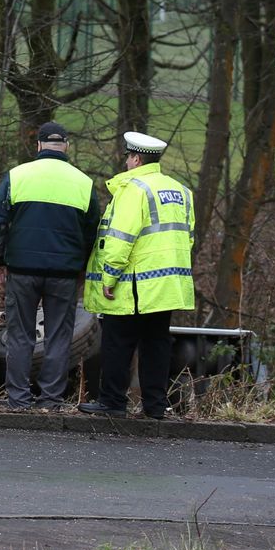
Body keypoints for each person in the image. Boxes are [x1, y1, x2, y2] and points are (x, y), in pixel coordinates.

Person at [78, 132, 195, 420]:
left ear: (136, 158)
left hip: (135, 284)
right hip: (167, 284)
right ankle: (155, 406)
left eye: (129, 157)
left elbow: (121, 238)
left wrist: (109, 276)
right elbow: (188, 237)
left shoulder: (133, 190)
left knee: (118, 341)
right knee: (156, 343)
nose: (127, 162)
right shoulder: (181, 190)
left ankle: (112, 402)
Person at [0, 121, 102, 410]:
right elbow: (92, 232)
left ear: (38, 145)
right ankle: (50, 400)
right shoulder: (83, 183)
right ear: (66, 147)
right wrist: (81, 268)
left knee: (20, 334)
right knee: (59, 336)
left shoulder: (17, 176)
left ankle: (18, 399)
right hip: (64, 273)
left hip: (23, 270)